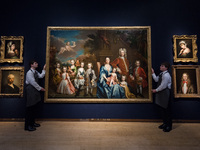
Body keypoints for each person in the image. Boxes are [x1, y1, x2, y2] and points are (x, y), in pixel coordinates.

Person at [25, 60, 46, 131]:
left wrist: (44, 69)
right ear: (31, 65)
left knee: (33, 108)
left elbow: (41, 76)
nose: (37, 64)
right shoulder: (29, 73)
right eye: (35, 63)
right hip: (31, 91)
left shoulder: (35, 72)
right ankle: (28, 126)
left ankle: (32, 123)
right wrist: (40, 88)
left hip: (34, 91)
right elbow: (33, 82)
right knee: (30, 109)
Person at [152, 62, 172, 132]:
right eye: (161, 65)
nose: (160, 66)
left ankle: (169, 126)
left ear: (166, 68)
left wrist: (155, 90)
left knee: (166, 110)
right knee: (162, 109)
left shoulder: (166, 75)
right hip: (161, 93)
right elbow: (156, 80)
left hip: (165, 93)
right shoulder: (161, 74)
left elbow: (163, 86)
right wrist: (153, 73)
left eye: (162, 66)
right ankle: (165, 123)